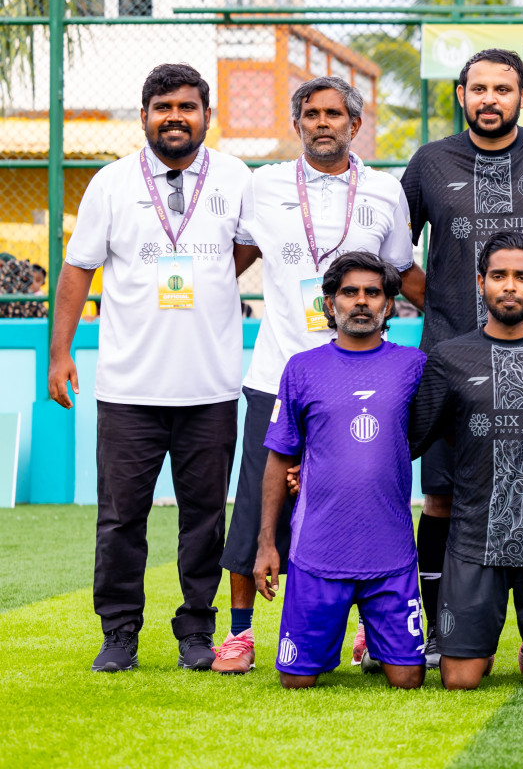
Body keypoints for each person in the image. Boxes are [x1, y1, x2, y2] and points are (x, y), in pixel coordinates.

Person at [49, 63, 254, 673]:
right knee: (119, 521)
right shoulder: (110, 183)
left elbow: (246, 248)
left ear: (206, 116)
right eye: (162, 107)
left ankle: (197, 630)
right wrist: (59, 354)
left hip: (210, 387)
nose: (174, 117)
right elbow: (78, 269)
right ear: (144, 116)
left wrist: (211, 277)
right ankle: (119, 633)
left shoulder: (236, 178)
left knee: (204, 519)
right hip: (128, 388)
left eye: (187, 107)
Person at [214, 76, 421, 675]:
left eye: (335, 113)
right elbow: (233, 261)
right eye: (311, 113)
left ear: (355, 125)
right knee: (259, 501)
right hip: (279, 369)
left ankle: (365, 632)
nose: (322, 122)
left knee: (364, 495)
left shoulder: (385, 191)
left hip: (363, 371)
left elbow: (403, 273)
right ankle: (240, 632)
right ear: (297, 123)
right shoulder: (263, 185)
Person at [401, 48, 523, 669]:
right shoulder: (429, 162)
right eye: (478, 88)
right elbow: (398, 253)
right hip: (451, 357)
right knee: (444, 499)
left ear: (522, 95)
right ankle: (433, 632)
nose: (490, 99)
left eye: (502, 88)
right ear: (460, 94)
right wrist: (448, 302)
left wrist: (517, 288)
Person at [410, 233, 523, 689]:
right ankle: (479, 646)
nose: (510, 286)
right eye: (499, 276)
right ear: (480, 283)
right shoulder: (449, 357)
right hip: (473, 538)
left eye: (522, 277)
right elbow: (408, 439)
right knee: (460, 681)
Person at [253, 251, 427, 689]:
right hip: (318, 550)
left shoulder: (413, 367)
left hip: (390, 551)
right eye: (350, 292)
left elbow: (433, 437)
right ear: (329, 304)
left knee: (407, 679)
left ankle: (373, 639)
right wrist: (266, 544)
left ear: (389, 305)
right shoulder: (302, 369)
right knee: (296, 681)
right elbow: (278, 456)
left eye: (374, 292)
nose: (362, 301)